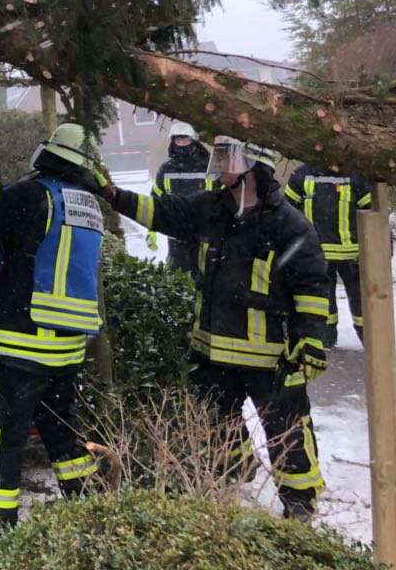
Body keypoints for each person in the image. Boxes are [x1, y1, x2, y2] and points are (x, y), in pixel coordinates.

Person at [104, 136, 330, 519]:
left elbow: (311, 285)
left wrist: (309, 341)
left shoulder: (288, 224)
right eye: (221, 158)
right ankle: (235, 476)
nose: (222, 166)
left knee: (287, 433)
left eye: (230, 159)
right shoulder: (211, 209)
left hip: (270, 360)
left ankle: (300, 505)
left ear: (255, 169)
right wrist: (113, 195)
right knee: (218, 428)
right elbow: (161, 211)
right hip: (213, 353)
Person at [0, 123, 107, 541]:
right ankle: (93, 527)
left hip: (20, 347)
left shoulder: (30, 195)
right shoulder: (88, 204)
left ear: (47, 155)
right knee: (64, 441)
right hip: (66, 352)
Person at [285, 164, 372, 346]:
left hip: (348, 255)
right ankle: (327, 340)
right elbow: (288, 212)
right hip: (320, 254)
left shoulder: (355, 176)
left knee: (359, 302)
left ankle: (369, 340)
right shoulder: (302, 176)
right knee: (323, 301)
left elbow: (371, 211)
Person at [146, 121, 212, 277]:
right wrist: (151, 231)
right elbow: (155, 202)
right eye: (178, 140)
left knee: (204, 278)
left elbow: (221, 198)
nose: (181, 144)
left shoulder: (208, 168)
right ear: (173, 141)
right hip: (176, 235)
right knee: (176, 279)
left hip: (203, 235)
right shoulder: (166, 169)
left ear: (194, 141)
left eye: (186, 140)